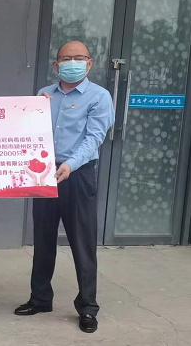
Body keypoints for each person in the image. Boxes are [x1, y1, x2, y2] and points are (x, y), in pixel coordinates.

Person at [14, 40, 115, 333]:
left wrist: (70, 164)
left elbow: (94, 138)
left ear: (89, 63)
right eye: (66, 59)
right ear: (56, 65)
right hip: (44, 173)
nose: (73, 63)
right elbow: (28, 131)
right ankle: (40, 298)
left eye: (79, 58)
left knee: (83, 242)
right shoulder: (44, 94)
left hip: (78, 174)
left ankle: (88, 307)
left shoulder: (99, 96)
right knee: (43, 238)